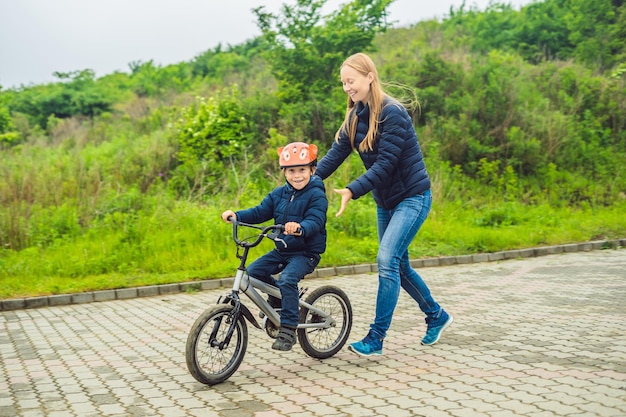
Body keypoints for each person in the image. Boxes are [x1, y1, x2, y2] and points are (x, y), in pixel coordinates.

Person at [315, 52, 452, 356]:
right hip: (386, 201)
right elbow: (336, 154)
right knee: (399, 265)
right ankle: (437, 316)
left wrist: (352, 190)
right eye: (343, 83)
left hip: (413, 198)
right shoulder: (354, 116)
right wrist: (308, 180)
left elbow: (386, 164)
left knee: (387, 260)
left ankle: (376, 338)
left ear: (369, 77)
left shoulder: (393, 113)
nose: (347, 87)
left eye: (351, 81)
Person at [222, 141, 327, 351]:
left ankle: (288, 329)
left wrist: (300, 228)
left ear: (312, 170)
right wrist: (237, 215)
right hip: (282, 248)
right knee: (252, 273)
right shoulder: (279, 194)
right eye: (291, 171)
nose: (297, 175)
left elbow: (315, 221)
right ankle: (278, 301)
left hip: (305, 252)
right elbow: (260, 212)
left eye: (302, 170)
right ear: (284, 172)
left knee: (288, 279)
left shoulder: (317, 195)